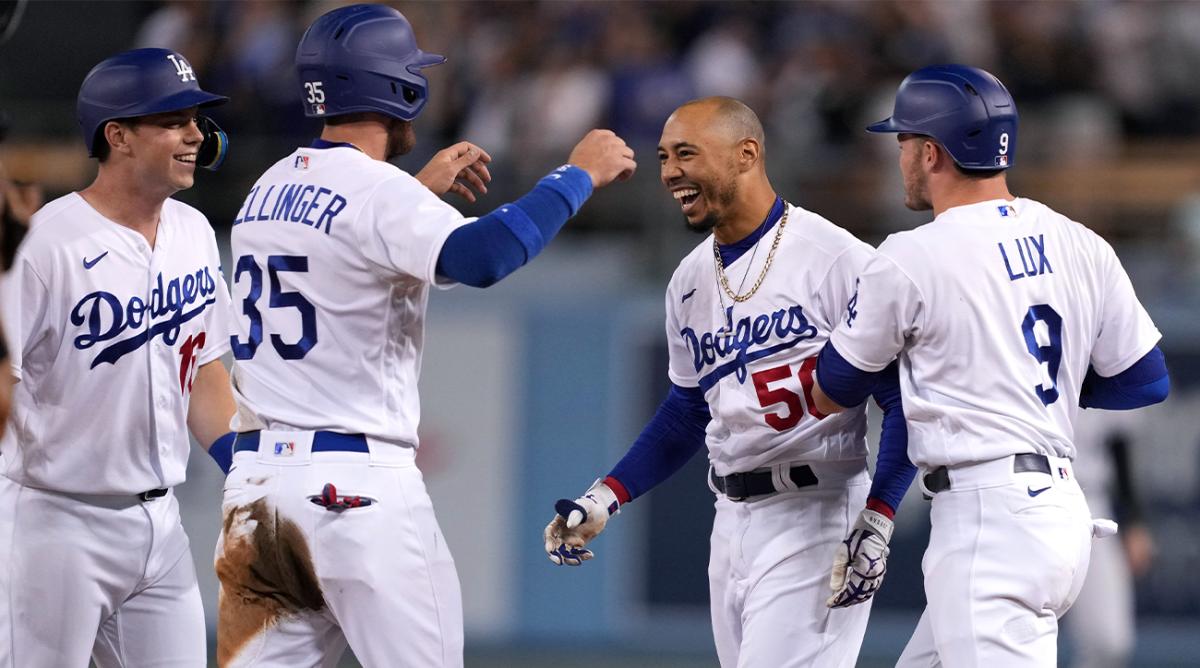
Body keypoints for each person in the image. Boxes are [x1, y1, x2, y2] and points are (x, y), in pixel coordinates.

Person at [211, 5, 636, 667]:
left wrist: (416, 194)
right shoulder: (379, 194)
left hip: (258, 491)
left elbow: (341, 249)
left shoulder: (265, 189)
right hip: (355, 486)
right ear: (399, 90)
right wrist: (576, 174)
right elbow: (483, 258)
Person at [811, 64, 1170, 667]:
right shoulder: (1078, 240)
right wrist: (1026, 383)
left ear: (931, 152)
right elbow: (1144, 379)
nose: (898, 156)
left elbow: (831, 390)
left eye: (902, 142)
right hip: (1057, 512)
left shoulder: (911, 255)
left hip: (990, 520)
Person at [543, 96, 913, 668]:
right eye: (664, 156)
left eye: (686, 154)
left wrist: (880, 516)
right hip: (731, 521)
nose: (669, 172)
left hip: (818, 512)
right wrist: (606, 496)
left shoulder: (836, 258)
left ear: (746, 154)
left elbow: (901, 400)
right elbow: (688, 411)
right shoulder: (689, 279)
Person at [0, 48, 236, 667]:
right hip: (55, 523)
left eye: (196, 120)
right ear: (118, 136)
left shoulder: (192, 232)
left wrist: (246, 462)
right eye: (173, 120)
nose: (195, 135)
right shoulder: (46, 243)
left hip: (162, 526)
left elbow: (204, 368)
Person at [1064, 409, 1155, 668]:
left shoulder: (1096, 366)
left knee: (1109, 642)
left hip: (1089, 496)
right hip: (1018, 497)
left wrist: (1134, 519)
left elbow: (1119, 441)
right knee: (1014, 634)